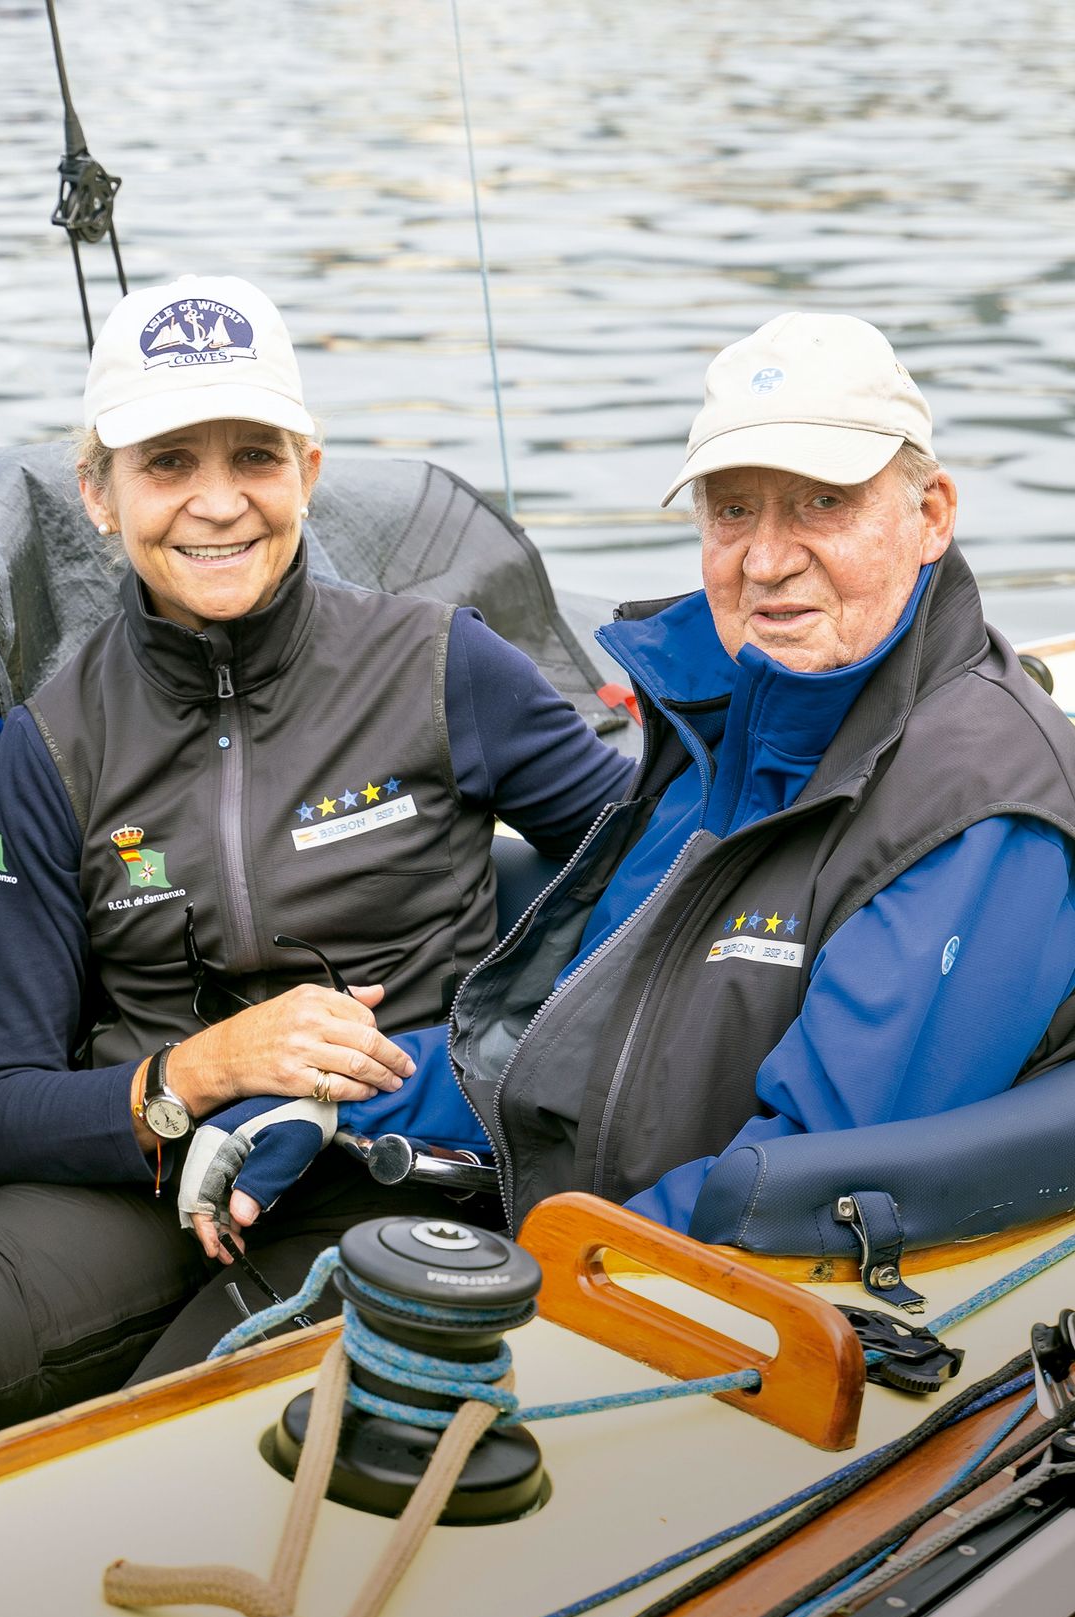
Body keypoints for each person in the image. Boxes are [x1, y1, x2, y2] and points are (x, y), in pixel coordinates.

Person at [150, 309, 1075, 1368]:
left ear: (933, 513)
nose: (769, 558)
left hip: (684, 1319)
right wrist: (328, 1095)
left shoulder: (976, 807)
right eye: (734, 510)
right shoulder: (726, 726)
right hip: (569, 1240)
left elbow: (800, 1184)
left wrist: (536, 1295)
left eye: (824, 503)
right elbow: (570, 1027)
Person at [0, 273, 631, 1426]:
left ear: (310, 473)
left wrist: (457, 1059)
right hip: (144, 1177)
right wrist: (200, 1072)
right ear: (98, 493)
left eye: (255, 456)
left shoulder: (447, 665)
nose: (218, 503)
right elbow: (6, 1096)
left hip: (384, 1171)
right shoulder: (46, 745)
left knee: (156, 1438)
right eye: (169, 463)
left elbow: (663, 887)